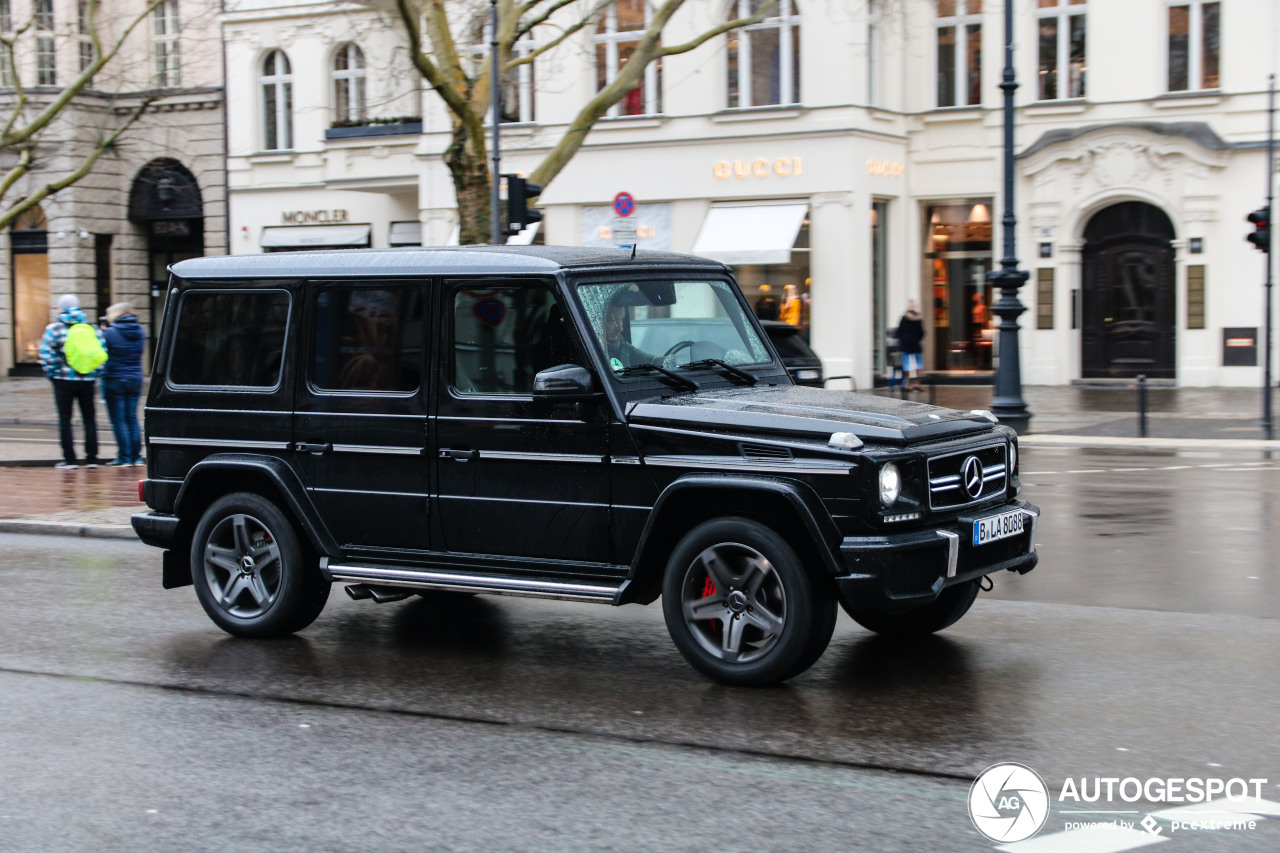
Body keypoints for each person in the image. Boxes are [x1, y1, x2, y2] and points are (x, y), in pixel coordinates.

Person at [39, 294, 106, 468]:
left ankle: (70, 459)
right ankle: (92, 459)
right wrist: (94, 373)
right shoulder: (92, 328)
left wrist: (52, 374)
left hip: (63, 379)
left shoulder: (54, 328)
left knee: (65, 419)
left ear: (61, 308)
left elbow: (47, 355)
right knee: (89, 419)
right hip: (87, 380)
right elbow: (101, 354)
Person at [101, 302, 147, 466]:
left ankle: (125, 457)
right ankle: (137, 456)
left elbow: (102, 354)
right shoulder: (141, 331)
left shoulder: (110, 333)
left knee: (119, 419)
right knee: (132, 417)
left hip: (114, 378)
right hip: (135, 378)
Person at [600, 292, 658, 370]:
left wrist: (669, 363)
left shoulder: (622, 345)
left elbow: (652, 361)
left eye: (622, 320)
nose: (620, 328)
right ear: (597, 321)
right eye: (612, 321)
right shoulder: (590, 350)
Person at [896, 298, 925, 392]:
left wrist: (901, 340)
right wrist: (918, 339)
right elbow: (921, 332)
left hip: (905, 343)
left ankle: (908, 384)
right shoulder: (919, 318)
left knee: (907, 364)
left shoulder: (904, 318)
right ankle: (917, 383)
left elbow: (899, 331)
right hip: (916, 344)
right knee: (919, 363)